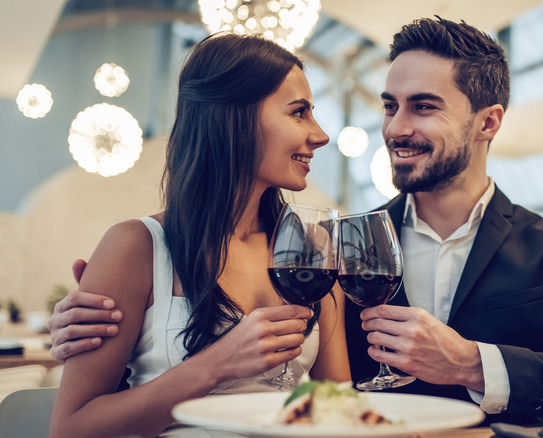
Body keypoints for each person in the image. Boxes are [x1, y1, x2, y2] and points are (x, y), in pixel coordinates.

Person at [48, 17, 543, 427]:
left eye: (423, 107)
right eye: (390, 106)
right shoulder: (333, 247)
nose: (397, 128)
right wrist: (104, 310)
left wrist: (473, 363)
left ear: (488, 121)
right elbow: (331, 399)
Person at [48, 32, 348, 438]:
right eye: (298, 113)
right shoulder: (135, 246)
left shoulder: (313, 249)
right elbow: (72, 429)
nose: (320, 135)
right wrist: (217, 363)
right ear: (233, 115)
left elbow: (337, 403)